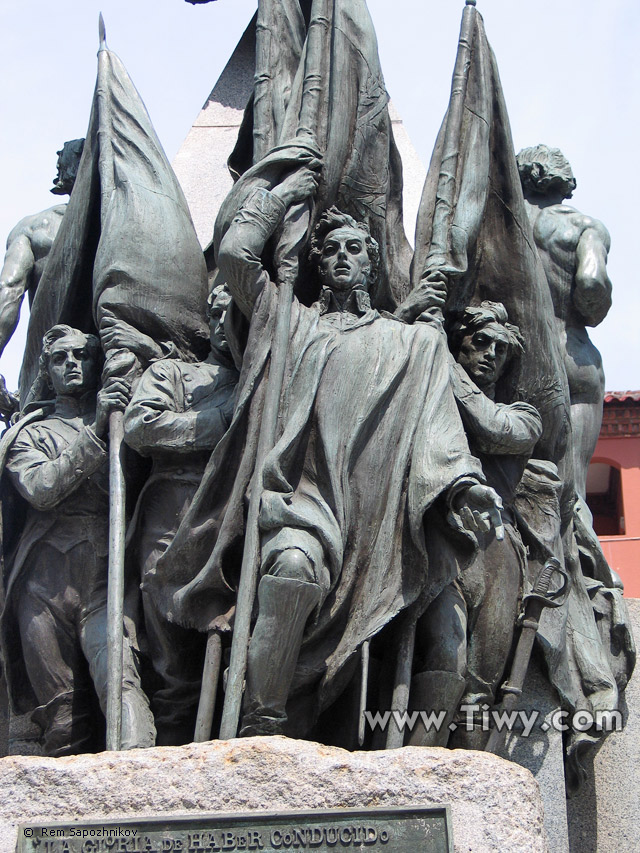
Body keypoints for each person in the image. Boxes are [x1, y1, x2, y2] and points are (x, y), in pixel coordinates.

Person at [153, 159, 503, 741]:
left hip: (378, 524)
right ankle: (260, 728)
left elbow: (440, 435)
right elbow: (238, 256)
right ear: (317, 264)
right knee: (290, 571)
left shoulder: (413, 344)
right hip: (300, 504)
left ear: (371, 262)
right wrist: (283, 193)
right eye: (332, 248)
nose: (343, 256)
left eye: (355, 248)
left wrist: (463, 485)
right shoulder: (288, 325)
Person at [0, 324, 155, 755]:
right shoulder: (30, 435)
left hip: (105, 577)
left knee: (121, 681)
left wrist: (115, 419)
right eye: (60, 358)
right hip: (42, 588)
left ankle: (141, 791)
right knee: (62, 719)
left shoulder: (124, 423)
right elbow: (42, 487)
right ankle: (78, 819)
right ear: (46, 371)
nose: (72, 364)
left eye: (83, 356)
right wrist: (96, 429)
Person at [409, 302, 542, 748]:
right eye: (480, 341)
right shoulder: (425, 399)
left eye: (500, 350)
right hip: (444, 539)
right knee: (446, 654)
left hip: (499, 554)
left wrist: (437, 351)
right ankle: (415, 773)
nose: (489, 354)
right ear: (462, 342)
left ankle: (470, 798)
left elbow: (486, 425)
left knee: (481, 687)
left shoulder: (524, 417)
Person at [123, 286, 238, 744]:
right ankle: (167, 768)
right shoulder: (173, 373)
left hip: (234, 521)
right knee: (172, 664)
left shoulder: (266, 379)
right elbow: (141, 425)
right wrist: (223, 421)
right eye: (220, 315)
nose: (227, 324)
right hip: (171, 513)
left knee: (233, 658)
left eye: (238, 315)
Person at [517, 144, 611, 499]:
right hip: (573, 358)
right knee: (571, 491)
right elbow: (591, 285)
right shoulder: (584, 227)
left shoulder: (502, 225)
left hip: (520, 361)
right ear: (565, 181)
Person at [0, 141, 84, 361]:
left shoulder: (34, 226)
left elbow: (8, 292)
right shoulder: (123, 222)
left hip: (54, 359)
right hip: (111, 357)